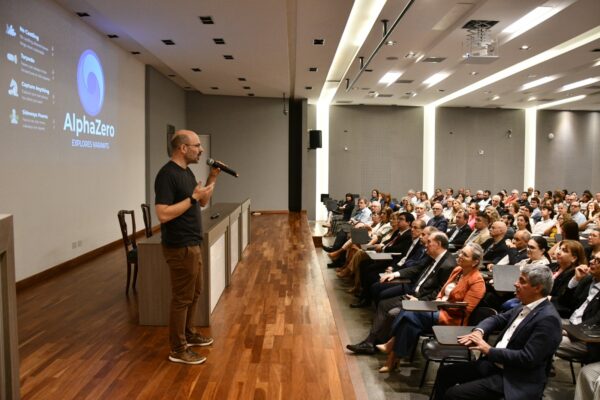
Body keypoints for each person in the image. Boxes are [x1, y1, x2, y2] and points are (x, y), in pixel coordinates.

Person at [434, 264, 562, 400]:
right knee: (445, 373)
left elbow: (528, 358)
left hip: (515, 378)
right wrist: (479, 331)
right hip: (496, 365)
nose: (515, 284)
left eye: (522, 281)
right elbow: (497, 319)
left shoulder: (548, 319)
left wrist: (488, 349)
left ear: (537, 288)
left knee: (454, 395)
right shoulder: (524, 305)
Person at [154, 130, 221, 365]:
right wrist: (192, 198)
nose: (201, 150)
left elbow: (202, 201)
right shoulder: (167, 175)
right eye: (197, 145)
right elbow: (162, 214)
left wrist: (212, 179)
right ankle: (178, 348)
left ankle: (189, 334)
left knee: (195, 292)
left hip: (193, 243)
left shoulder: (188, 172)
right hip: (179, 246)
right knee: (182, 297)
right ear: (183, 148)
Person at [376, 243, 486, 372]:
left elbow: (466, 310)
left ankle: (391, 346)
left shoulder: (477, 281)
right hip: (437, 308)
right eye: (461, 252)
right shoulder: (457, 270)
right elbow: (442, 291)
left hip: (451, 318)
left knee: (409, 311)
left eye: (465, 255)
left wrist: (440, 304)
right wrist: (438, 300)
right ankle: (393, 359)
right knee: (409, 322)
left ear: (475, 262)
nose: (460, 255)